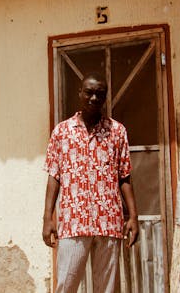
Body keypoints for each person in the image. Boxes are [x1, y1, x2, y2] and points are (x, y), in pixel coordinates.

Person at [42, 72, 139, 293]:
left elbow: (124, 177)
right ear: (80, 93)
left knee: (107, 289)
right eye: (89, 92)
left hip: (108, 221)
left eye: (100, 94)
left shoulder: (117, 131)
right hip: (73, 222)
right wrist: (48, 218)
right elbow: (53, 176)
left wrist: (133, 216)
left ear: (105, 97)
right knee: (66, 285)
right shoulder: (62, 132)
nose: (94, 98)